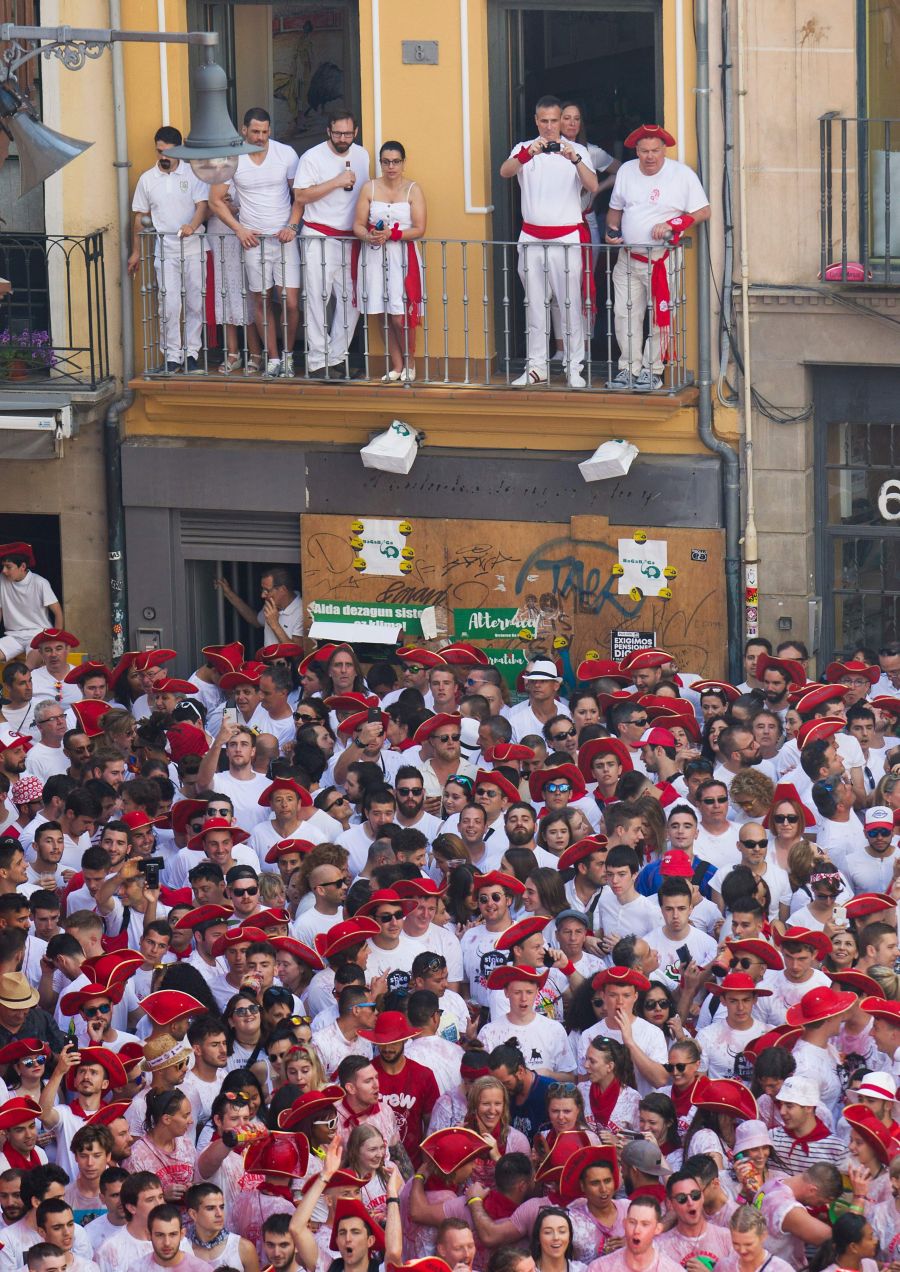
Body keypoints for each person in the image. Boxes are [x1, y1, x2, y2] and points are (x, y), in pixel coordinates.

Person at [499, 95, 599, 388]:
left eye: (555, 120)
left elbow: (593, 186)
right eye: (544, 121)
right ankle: (536, 366)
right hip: (531, 237)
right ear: (536, 121)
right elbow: (505, 171)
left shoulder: (577, 149)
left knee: (570, 304)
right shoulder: (523, 149)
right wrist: (529, 153)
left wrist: (574, 158)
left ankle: (573, 367)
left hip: (566, 237)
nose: (550, 126)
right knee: (535, 304)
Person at [605, 125, 710, 390]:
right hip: (628, 258)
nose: (650, 157)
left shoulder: (681, 174)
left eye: (655, 151)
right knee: (624, 314)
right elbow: (614, 210)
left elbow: (703, 211)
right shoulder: (627, 171)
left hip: (663, 260)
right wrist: (611, 231)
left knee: (661, 316)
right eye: (644, 151)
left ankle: (653, 370)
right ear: (636, 151)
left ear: (664, 150)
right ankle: (628, 368)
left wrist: (674, 223)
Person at [208, 108, 300, 378]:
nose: (260, 137)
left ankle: (289, 356)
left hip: (284, 239)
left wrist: (292, 225)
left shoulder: (285, 154)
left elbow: (300, 195)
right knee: (261, 301)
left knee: (291, 303)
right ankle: (273, 358)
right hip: (253, 242)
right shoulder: (232, 158)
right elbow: (215, 200)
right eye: (255, 131)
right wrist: (239, 230)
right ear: (244, 130)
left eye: (265, 131)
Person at [292, 111, 371, 379]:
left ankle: (337, 357)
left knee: (353, 300)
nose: (342, 138)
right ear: (328, 131)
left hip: (350, 237)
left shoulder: (362, 155)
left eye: (348, 134)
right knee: (316, 298)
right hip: (319, 235)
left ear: (355, 132)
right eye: (337, 133)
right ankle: (317, 362)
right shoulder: (312, 157)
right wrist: (336, 182)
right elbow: (300, 195)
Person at [128, 126, 208, 374]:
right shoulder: (147, 179)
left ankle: (191, 354)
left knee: (195, 302)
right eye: (159, 151)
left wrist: (192, 226)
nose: (163, 156)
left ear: (179, 151)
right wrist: (136, 251)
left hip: (194, 248)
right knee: (169, 304)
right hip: (165, 251)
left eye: (167, 152)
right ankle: (172, 357)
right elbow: (140, 218)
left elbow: (202, 207)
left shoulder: (193, 174)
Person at [352, 140, 427, 382]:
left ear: (403, 163)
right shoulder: (369, 188)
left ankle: (410, 362)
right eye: (386, 162)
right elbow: (358, 225)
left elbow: (420, 228)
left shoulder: (413, 189)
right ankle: (396, 365)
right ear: (381, 163)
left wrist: (393, 235)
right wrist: (369, 236)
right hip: (375, 255)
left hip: (402, 256)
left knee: (400, 313)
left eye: (395, 161)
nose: (391, 166)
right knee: (383, 312)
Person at [0, 543, 63, 664]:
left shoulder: (40, 583)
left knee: (28, 667)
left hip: (39, 636)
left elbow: (57, 612)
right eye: (3, 567)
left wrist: (56, 639)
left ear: (22, 566)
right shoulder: (1, 580)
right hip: (13, 636)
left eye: (8, 567)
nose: (4, 571)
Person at [585, 1197, 682, 1272]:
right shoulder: (600, 1268)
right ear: (624, 1224)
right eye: (632, 1222)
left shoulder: (672, 1269)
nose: (637, 1230)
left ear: (657, 1229)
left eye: (645, 1224)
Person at [214, 568, 303, 647]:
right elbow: (256, 620)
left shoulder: (302, 612)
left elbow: (297, 656)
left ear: (283, 589)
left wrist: (275, 625)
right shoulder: (272, 603)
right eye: (262, 589)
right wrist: (228, 593)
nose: (262, 595)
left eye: (267, 591)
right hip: (268, 665)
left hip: (284, 666)